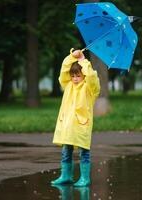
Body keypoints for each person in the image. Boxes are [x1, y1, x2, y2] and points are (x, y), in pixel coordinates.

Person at [51, 48, 100, 187]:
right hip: (67, 125)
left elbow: (92, 78)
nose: (75, 79)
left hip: (81, 126)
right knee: (66, 152)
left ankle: (85, 178)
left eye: (78, 76)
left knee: (83, 152)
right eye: (73, 76)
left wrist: (83, 61)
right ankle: (66, 175)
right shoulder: (68, 86)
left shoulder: (90, 89)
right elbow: (63, 72)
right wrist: (72, 56)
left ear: (83, 75)